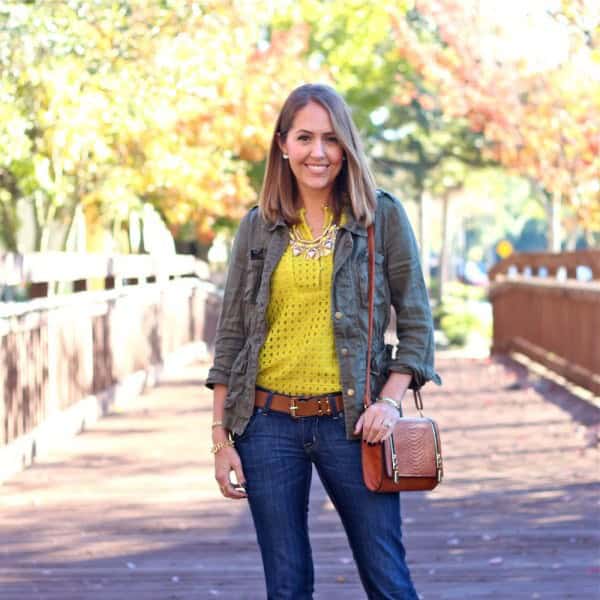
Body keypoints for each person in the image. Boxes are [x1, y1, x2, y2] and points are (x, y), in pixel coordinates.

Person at [206, 83, 441, 600]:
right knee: (286, 586)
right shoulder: (257, 227)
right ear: (282, 145)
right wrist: (221, 439)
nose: (318, 153)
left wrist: (389, 401)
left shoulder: (380, 218)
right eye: (305, 138)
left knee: (387, 577)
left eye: (331, 140)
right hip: (265, 426)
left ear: (346, 147)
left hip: (353, 423)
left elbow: (418, 323)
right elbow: (232, 338)